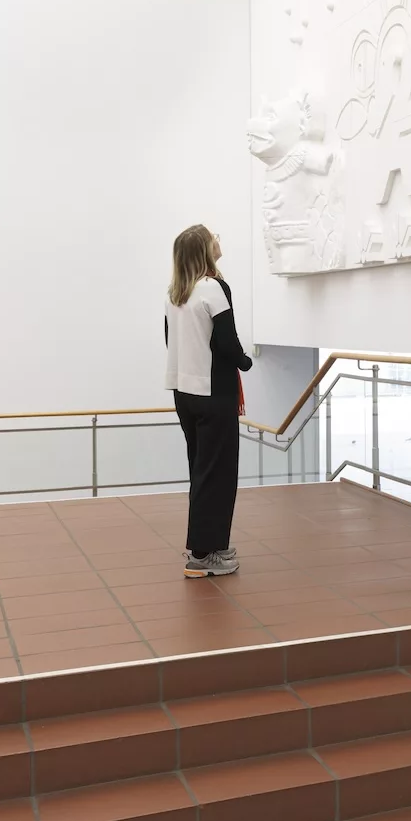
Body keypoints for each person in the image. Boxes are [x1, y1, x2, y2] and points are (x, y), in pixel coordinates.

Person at [165, 225, 252, 578]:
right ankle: (203, 555)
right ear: (205, 248)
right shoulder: (214, 287)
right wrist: (245, 362)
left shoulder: (175, 293)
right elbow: (226, 342)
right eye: (214, 236)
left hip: (184, 393)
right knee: (218, 473)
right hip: (213, 393)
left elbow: (170, 341)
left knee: (201, 470)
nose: (219, 239)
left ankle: (208, 545)